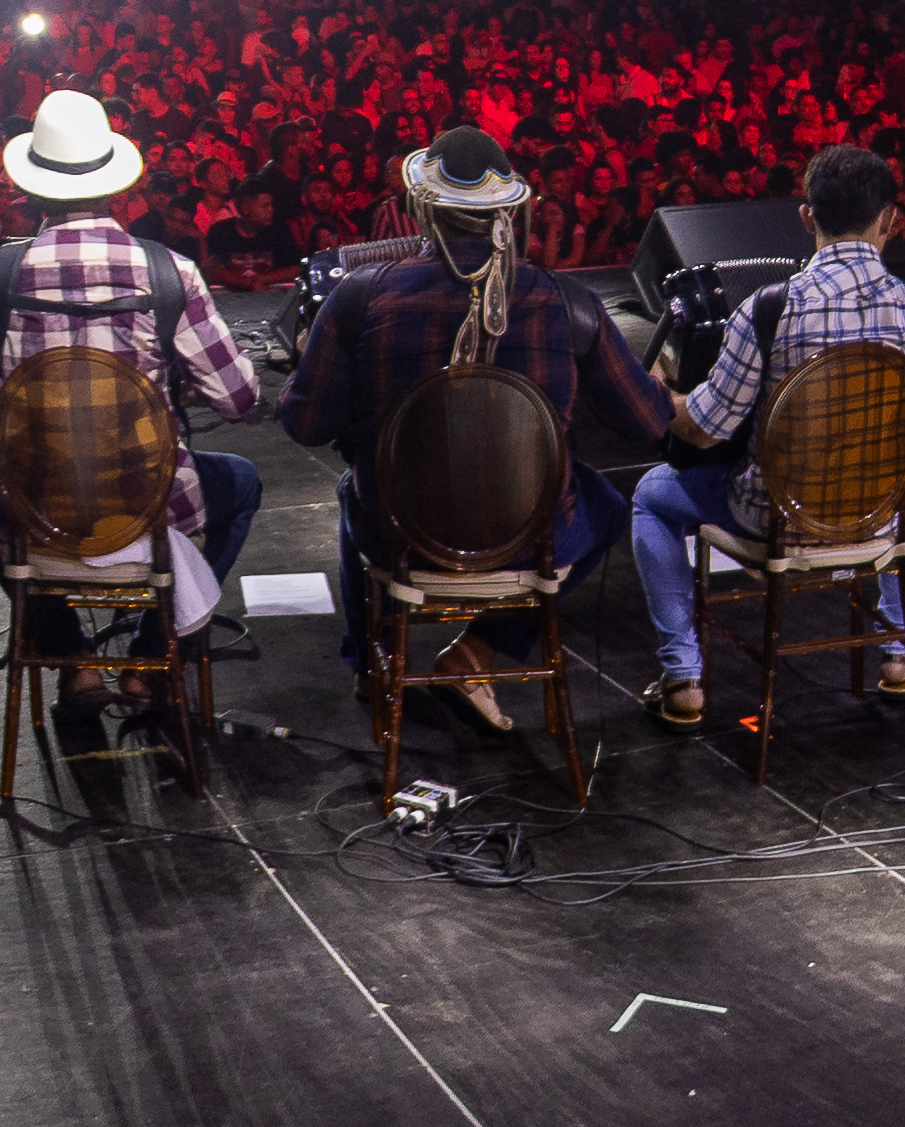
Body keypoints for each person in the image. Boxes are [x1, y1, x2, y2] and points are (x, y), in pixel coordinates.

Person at [282, 125, 676, 724]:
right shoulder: (567, 301)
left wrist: (316, 359)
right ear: (507, 212)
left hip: (402, 538)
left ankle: (372, 663)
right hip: (531, 539)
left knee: (354, 487)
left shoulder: (359, 297)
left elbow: (306, 424)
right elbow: (645, 419)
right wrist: (663, 385)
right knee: (604, 504)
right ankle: (477, 649)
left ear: (423, 210)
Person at [0, 89, 271, 725]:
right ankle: (152, 657)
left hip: (37, 517)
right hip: (150, 513)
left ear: (30, 187)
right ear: (116, 183)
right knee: (241, 484)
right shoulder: (169, 273)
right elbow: (240, 397)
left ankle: (74, 659)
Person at [630, 142, 905, 724]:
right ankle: (900, 655)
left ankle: (684, 676)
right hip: (877, 518)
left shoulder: (769, 308)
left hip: (776, 517)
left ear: (806, 216)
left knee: (650, 496)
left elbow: (705, 431)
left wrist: (663, 395)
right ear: (891, 221)